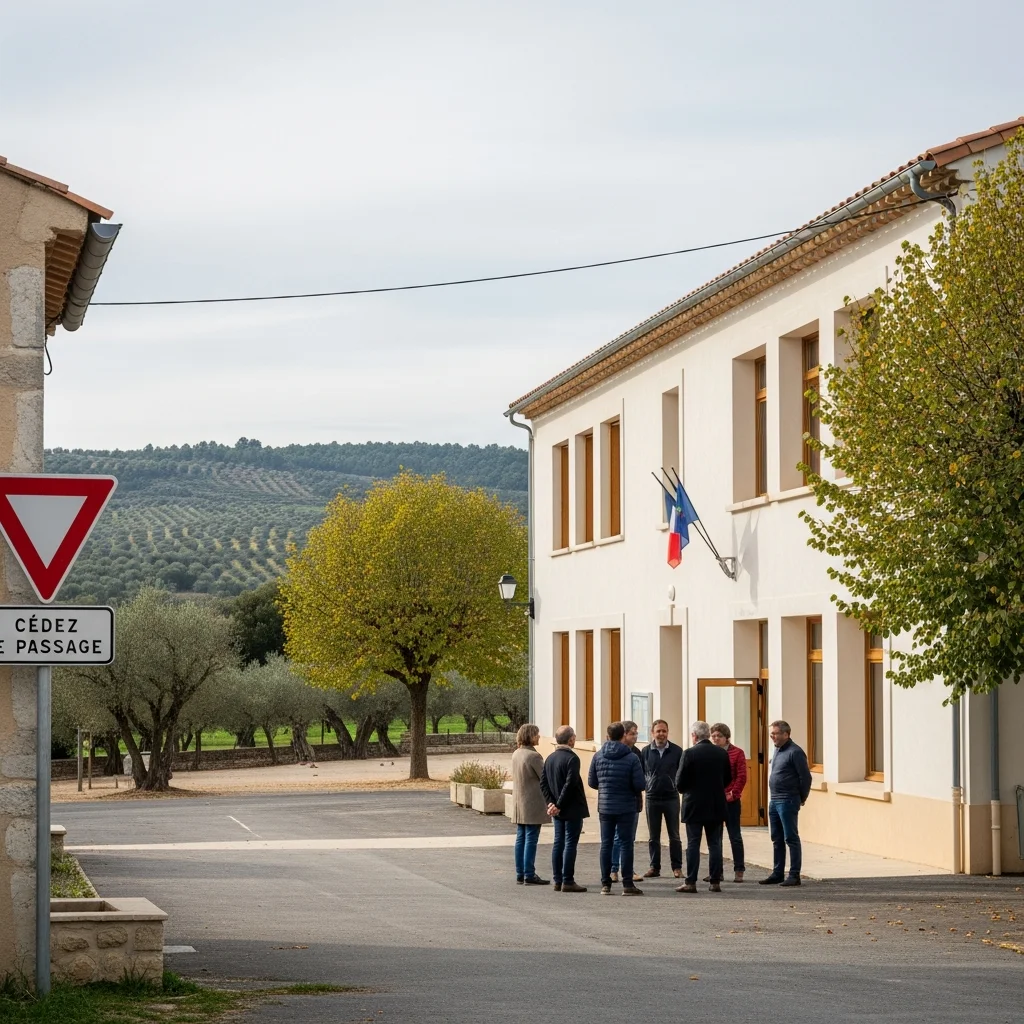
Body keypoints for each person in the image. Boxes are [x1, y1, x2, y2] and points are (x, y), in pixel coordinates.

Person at [588, 721, 646, 896]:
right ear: (623, 736)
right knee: (626, 844)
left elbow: (592, 782)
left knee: (606, 844)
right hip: (626, 806)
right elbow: (639, 784)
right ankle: (627, 884)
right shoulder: (631, 757)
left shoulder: (598, 756)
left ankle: (606, 883)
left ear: (607, 736)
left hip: (605, 806)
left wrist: (607, 787)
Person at [674, 720, 731, 893]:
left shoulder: (689, 753)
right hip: (715, 803)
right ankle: (715, 881)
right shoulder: (721, 753)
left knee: (693, 844)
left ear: (694, 736)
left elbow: (680, 781)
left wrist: (687, 790)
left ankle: (691, 881)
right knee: (715, 844)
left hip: (694, 804)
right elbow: (728, 778)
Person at [759, 719, 812, 887]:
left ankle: (794, 874)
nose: (772, 736)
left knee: (791, 837)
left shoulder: (795, 752)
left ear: (786, 734)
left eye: (775, 733)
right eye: (771, 733)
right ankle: (777, 873)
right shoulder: (777, 750)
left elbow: (806, 777)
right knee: (777, 838)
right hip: (774, 800)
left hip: (788, 800)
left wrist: (801, 798)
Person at [540, 724, 589, 893]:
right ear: (571, 739)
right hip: (571, 808)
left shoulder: (550, 758)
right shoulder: (572, 758)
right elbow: (570, 784)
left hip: (558, 809)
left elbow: (543, 783)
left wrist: (551, 804)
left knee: (558, 842)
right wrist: (558, 805)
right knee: (570, 843)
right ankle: (568, 880)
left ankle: (557, 879)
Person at [640, 719, 683, 878]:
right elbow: (641, 772)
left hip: (671, 797)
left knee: (675, 835)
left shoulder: (677, 751)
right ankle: (654, 867)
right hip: (652, 797)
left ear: (667, 732)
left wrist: (677, 786)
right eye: (658, 731)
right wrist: (646, 786)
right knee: (653, 836)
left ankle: (677, 867)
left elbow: (682, 772)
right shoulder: (645, 751)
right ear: (652, 733)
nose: (661, 734)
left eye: (664, 731)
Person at [510, 723, 549, 885]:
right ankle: (529, 873)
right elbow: (545, 778)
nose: (539, 737)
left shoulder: (517, 753)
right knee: (531, 838)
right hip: (532, 802)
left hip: (520, 802)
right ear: (530, 736)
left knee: (521, 837)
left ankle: (521, 872)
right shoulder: (534, 756)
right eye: (537, 734)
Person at [710, 722, 747, 882]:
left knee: (735, 836)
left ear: (727, 738)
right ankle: (717, 872)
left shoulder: (737, 753)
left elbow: (741, 776)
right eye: (714, 736)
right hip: (716, 800)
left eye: (720, 736)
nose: (716, 739)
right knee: (716, 837)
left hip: (731, 800)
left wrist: (733, 793)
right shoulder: (711, 753)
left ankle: (739, 869)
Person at [610, 719, 644, 883]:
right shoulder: (608, 752)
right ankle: (613, 869)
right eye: (632, 734)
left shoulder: (637, 753)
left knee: (629, 837)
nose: (635, 737)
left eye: (636, 733)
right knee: (617, 837)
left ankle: (627, 869)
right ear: (623, 735)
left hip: (633, 801)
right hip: (615, 802)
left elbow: (641, 778)